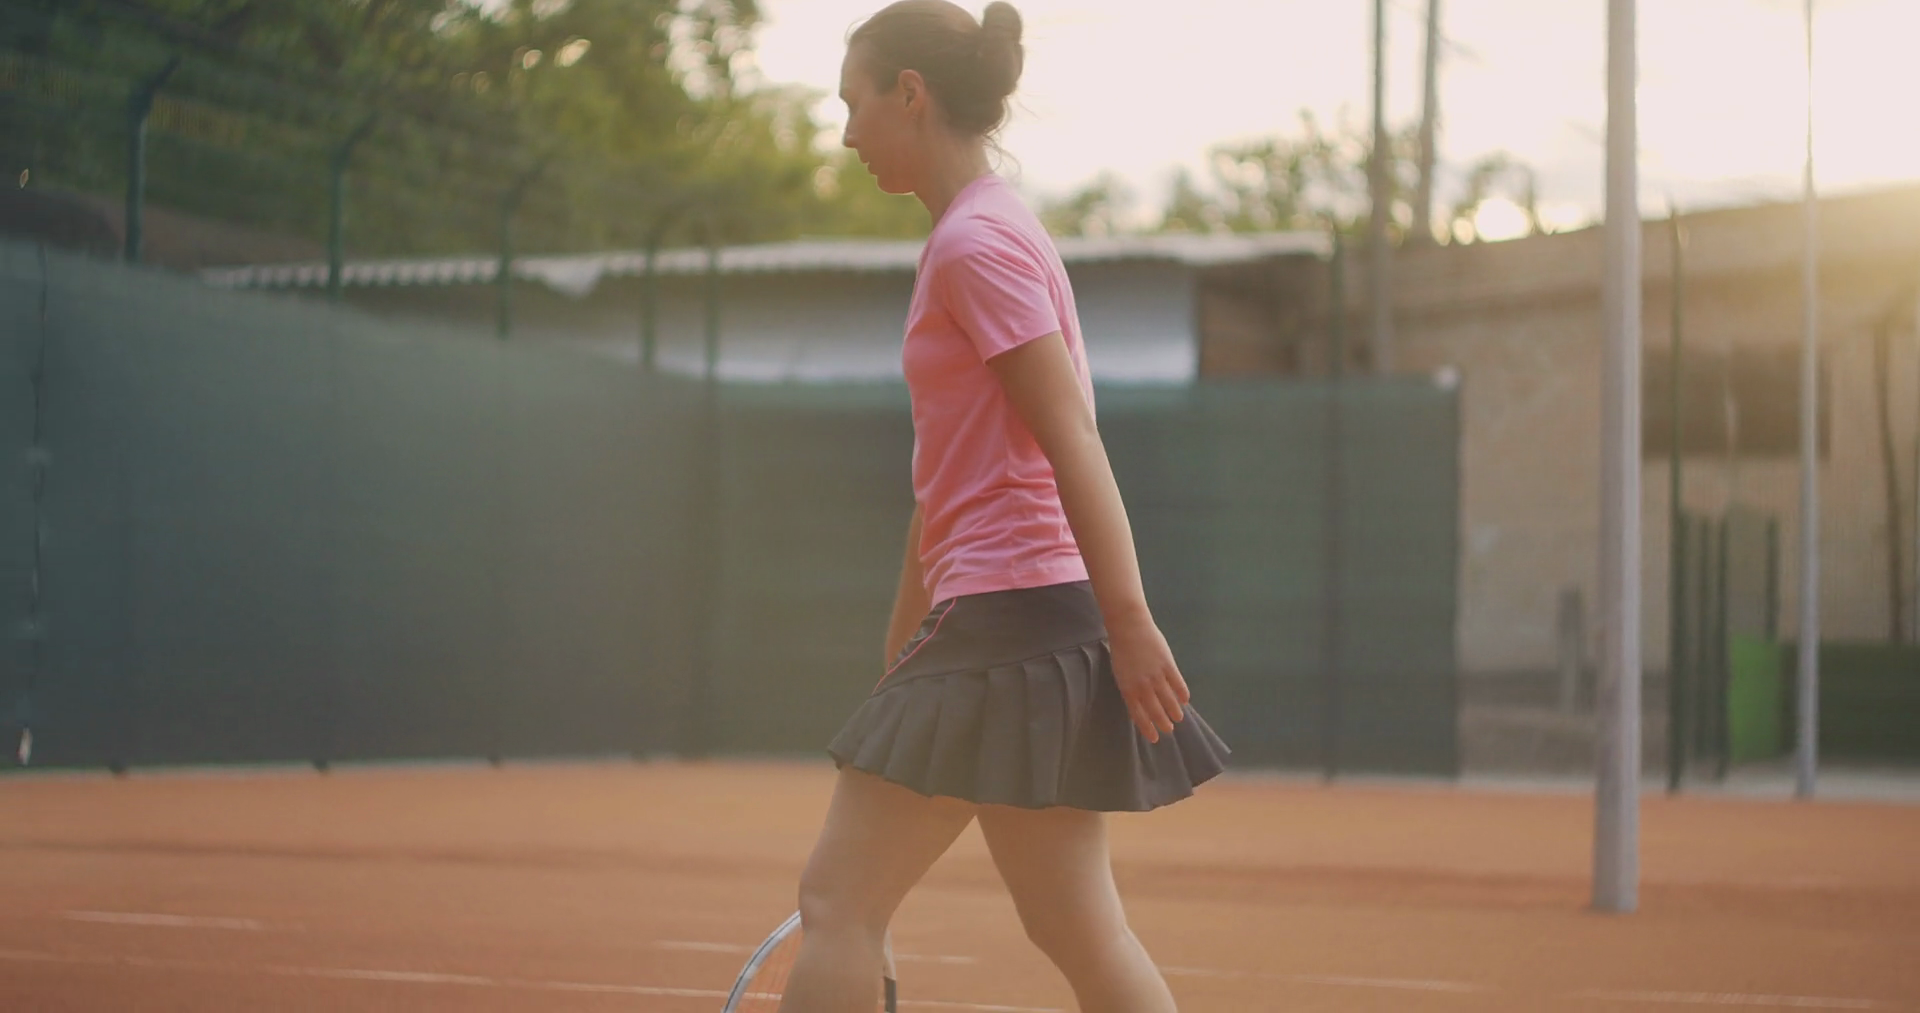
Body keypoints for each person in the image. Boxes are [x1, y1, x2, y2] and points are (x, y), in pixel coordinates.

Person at [780, 3, 1229, 1010]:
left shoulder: (975, 245)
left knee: (838, 902)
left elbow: (1070, 437)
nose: (846, 134)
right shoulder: (983, 231)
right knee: (1078, 925)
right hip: (1021, 619)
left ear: (910, 94)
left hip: (1008, 621)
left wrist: (1130, 620)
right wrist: (907, 647)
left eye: (853, 104)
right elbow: (950, 479)